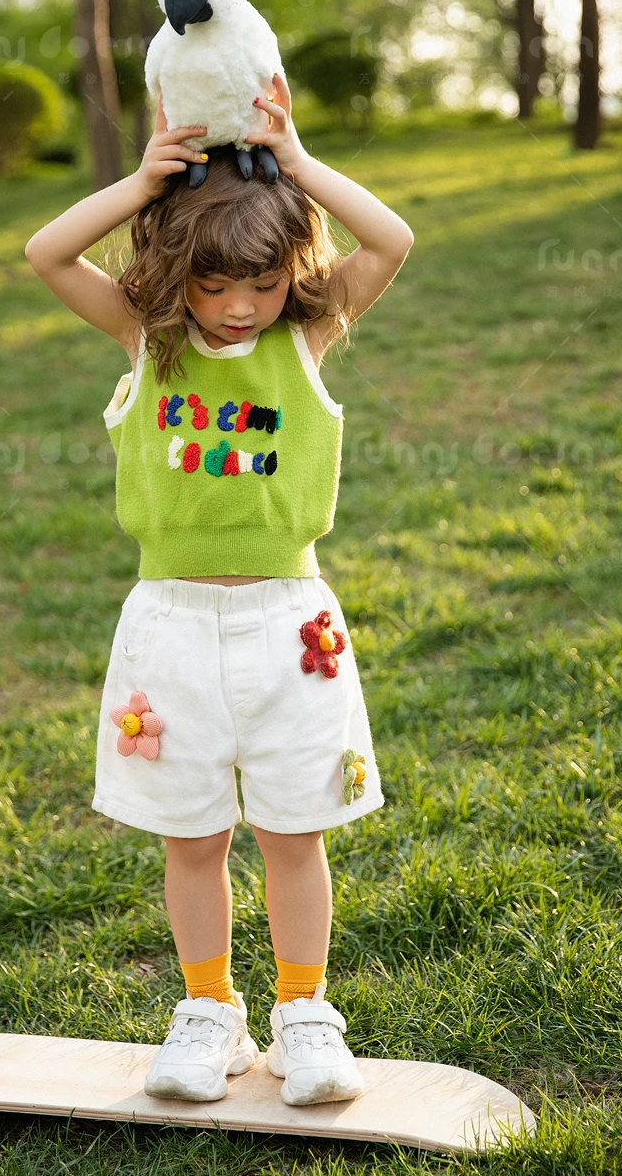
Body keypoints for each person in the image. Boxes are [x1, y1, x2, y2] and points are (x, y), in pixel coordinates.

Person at [25, 73, 413, 1107]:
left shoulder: (305, 339)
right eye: (212, 285)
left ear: (292, 274)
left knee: (294, 832)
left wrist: (295, 166)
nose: (239, 305)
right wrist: (140, 181)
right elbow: (45, 254)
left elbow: (391, 242)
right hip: (169, 629)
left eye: (261, 281)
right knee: (191, 837)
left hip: (292, 627)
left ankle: (302, 1017)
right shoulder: (147, 345)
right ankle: (209, 1012)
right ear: (173, 276)